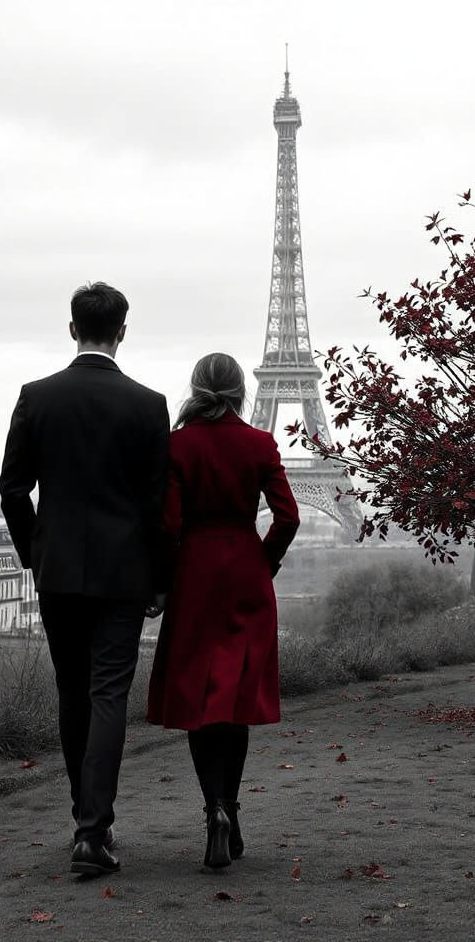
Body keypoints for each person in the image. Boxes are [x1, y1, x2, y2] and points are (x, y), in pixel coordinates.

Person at [0, 282, 169, 877]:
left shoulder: (36, 397)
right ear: (122, 332)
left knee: (72, 692)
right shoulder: (149, 405)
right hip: (124, 575)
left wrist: (33, 552)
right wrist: (159, 579)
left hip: (59, 572)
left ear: (72, 328)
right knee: (108, 696)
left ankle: (85, 817)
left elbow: (12, 489)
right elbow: (156, 505)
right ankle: (93, 829)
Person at [146, 352, 300, 869]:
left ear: (196, 387)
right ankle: (229, 807)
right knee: (235, 696)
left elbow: (167, 528)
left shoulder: (177, 446)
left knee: (197, 696)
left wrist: (162, 585)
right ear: (241, 391)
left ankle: (213, 807)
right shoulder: (260, 444)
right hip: (245, 576)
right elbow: (288, 516)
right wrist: (265, 561)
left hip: (194, 576)